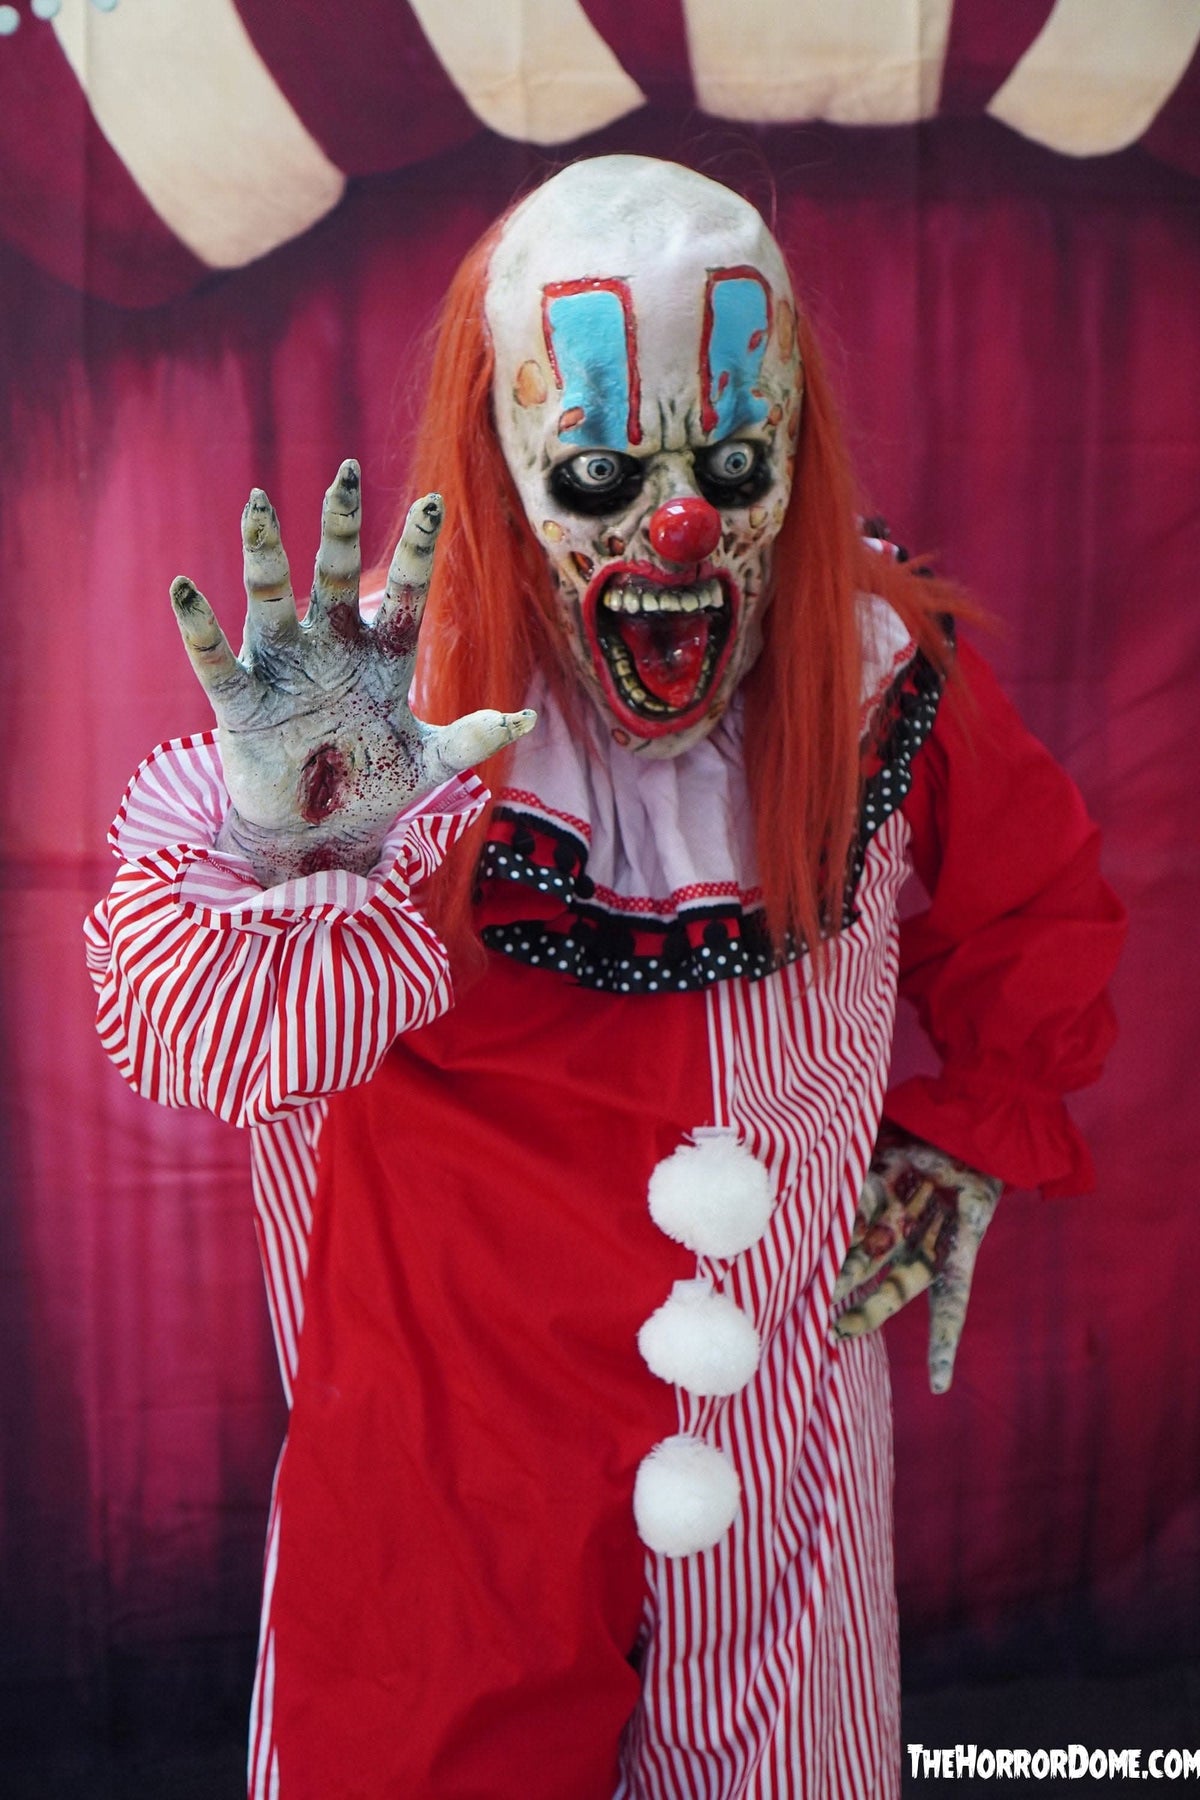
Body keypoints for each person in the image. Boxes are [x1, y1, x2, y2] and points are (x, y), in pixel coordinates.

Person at [86, 157, 1125, 1799]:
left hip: (776, 1457)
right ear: (507, 468)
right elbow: (197, 1039)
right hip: (443, 1467)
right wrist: (284, 842)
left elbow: (1033, 900)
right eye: (597, 473)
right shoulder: (385, 705)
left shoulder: (869, 668)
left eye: (734, 464)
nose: (682, 524)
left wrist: (971, 1134)